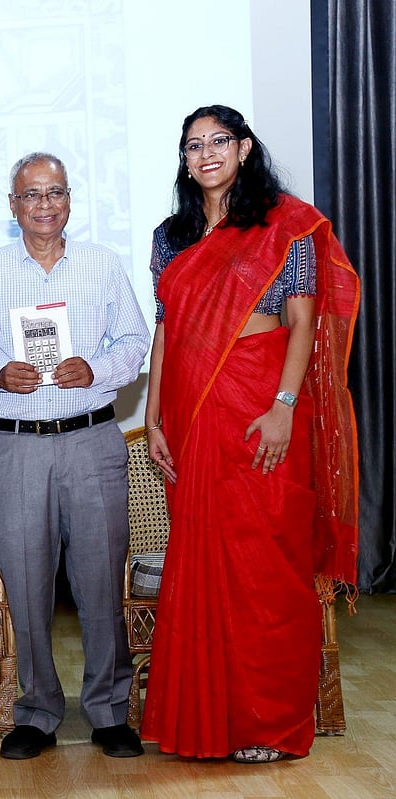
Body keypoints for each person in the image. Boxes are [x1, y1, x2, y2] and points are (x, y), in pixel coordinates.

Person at [140, 105, 360, 763]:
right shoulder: (170, 237)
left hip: (261, 408)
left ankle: (271, 724)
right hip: (191, 416)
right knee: (202, 566)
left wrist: (286, 404)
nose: (206, 154)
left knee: (266, 568)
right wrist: (153, 417)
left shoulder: (283, 225)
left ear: (243, 148)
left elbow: (302, 318)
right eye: (193, 145)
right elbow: (165, 329)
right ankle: (207, 720)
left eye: (219, 142)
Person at [0, 152, 150, 760]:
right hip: (15, 448)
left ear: (69, 200)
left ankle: (109, 711)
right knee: (29, 586)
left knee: (98, 585)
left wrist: (98, 367)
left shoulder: (101, 265)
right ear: (12, 207)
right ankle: (36, 712)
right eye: (30, 195)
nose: (44, 204)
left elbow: (137, 341)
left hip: (91, 441)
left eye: (54, 192)